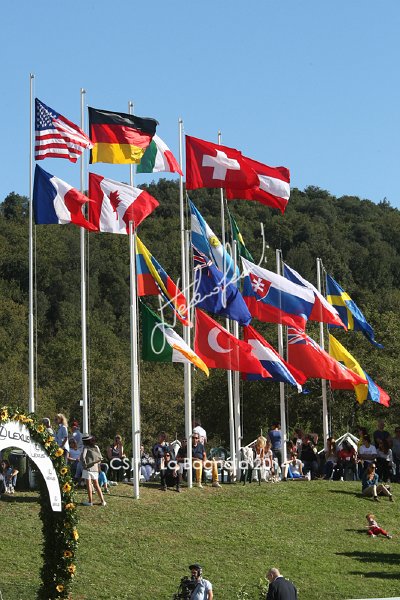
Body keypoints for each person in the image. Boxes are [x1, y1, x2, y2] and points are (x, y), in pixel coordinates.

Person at [81, 435, 107, 506]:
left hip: (88, 468)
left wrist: (84, 465)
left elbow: (83, 457)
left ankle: (90, 501)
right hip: (95, 468)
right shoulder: (96, 447)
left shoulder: (86, 447)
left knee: (89, 485)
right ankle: (103, 501)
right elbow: (100, 458)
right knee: (97, 485)